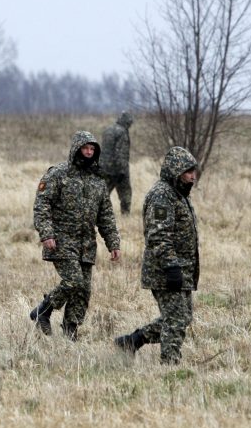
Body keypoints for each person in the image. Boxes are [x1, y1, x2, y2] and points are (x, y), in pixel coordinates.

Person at [30, 131, 121, 340]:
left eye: (92, 149)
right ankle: (43, 311)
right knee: (74, 281)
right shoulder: (58, 174)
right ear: (76, 149)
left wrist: (113, 243)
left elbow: (106, 215)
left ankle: (71, 332)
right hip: (61, 240)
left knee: (83, 292)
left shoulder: (98, 181)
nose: (89, 153)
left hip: (87, 244)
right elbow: (42, 205)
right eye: (85, 148)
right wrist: (46, 233)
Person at [115, 146, 199, 365]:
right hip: (165, 271)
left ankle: (133, 341)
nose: (193, 176)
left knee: (182, 317)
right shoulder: (162, 195)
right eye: (188, 171)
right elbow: (158, 235)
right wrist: (171, 267)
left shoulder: (179, 194)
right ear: (175, 171)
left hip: (182, 270)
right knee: (175, 320)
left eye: (194, 171)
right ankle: (170, 366)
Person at [100, 111, 134, 214]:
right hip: (117, 168)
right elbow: (121, 152)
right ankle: (125, 214)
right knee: (125, 192)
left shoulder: (108, 130)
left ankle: (98, 213)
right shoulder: (122, 132)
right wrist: (123, 170)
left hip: (104, 167)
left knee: (103, 193)